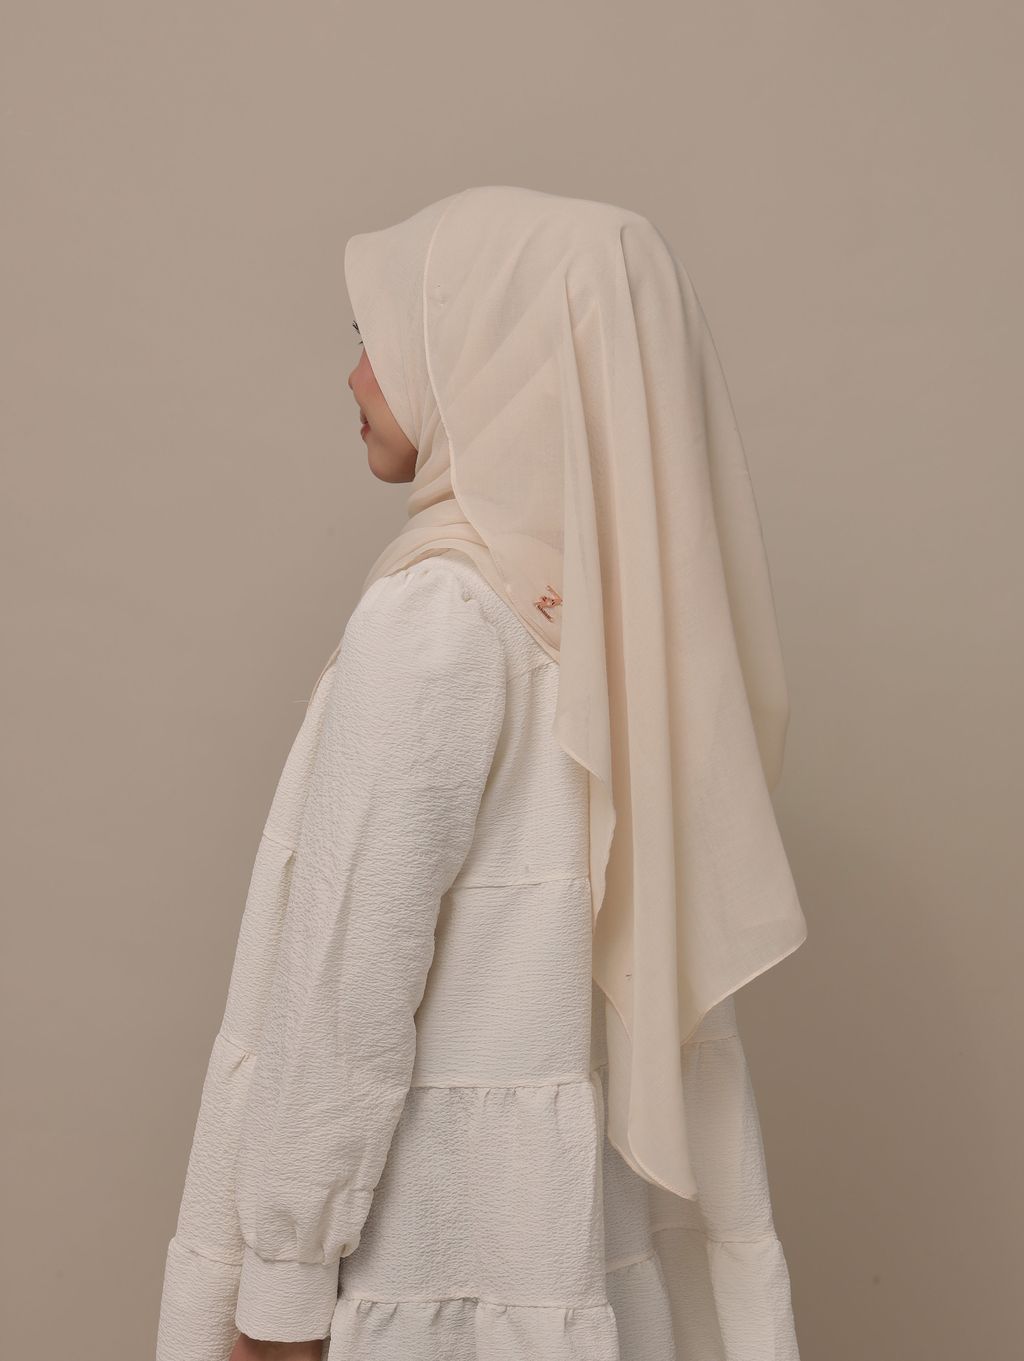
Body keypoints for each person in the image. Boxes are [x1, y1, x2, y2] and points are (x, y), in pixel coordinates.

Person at [155, 184, 808, 1361]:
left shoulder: (438, 617)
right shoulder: (620, 632)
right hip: (549, 1249)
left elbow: (348, 976)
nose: (355, 376)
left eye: (380, 339)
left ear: (484, 356)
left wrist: (282, 1296)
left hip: (414, 1264)